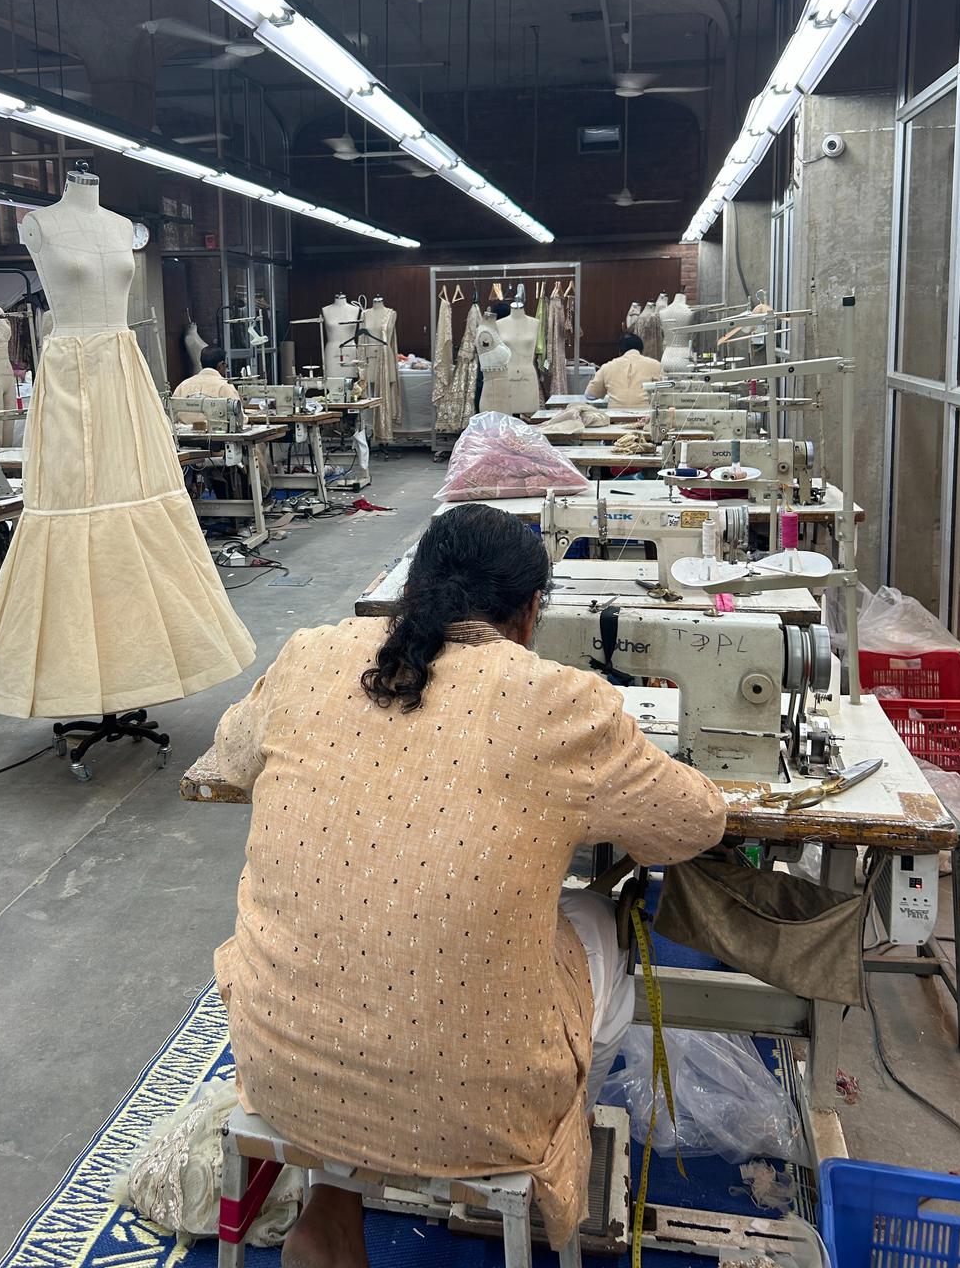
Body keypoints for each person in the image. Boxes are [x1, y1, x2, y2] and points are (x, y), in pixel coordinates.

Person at [213, 504, 727, 1264]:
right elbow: (692, 826)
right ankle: (548, 1128)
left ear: (414, 586)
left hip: (281, 1069)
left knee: (367, 912)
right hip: (479, 1109)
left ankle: (334, 1199)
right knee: (595, 910)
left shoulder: (311, 654)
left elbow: (226, 761)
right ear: (529, 613)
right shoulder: (559, 701)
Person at [585, 331, 663, 408]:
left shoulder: (607, 367)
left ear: (620, 352)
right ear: (641, 351)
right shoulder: (656, 365)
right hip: (645, 419)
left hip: (615, 419)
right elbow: (666, 394)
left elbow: (590, 395)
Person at [172, 345, 242, 427]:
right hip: (217, 437)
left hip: (184, 437)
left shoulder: (183, 385)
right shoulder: (224, 385)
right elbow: (239, 418)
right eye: (225, 365)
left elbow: (172, 414)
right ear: (220, 365)